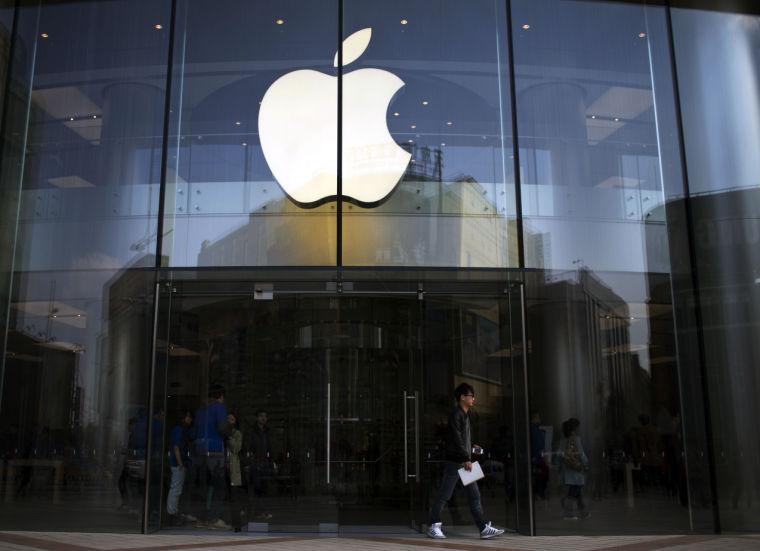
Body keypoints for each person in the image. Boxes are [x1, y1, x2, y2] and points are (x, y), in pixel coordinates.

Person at [427, 383, 505, 540]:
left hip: (463, 461)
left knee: (474, 496)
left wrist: (471, 448)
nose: (473, 398)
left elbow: (462, 439)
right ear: (462, 397)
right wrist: (465, 457)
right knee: (445, 495)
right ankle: (433, 526)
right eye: (471, 395)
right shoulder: (456, 415)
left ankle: (483, 527)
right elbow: (456, 438)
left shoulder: (465, 415)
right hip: (457, 462)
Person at [192, 384, 231, 529]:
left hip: (200, 450)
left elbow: (194, 431)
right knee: (218, 485)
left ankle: (201, 518)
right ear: (221, 396)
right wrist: (230, 430)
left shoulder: (200, 411)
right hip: (215, 451)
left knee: (204, 485)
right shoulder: (219, 407)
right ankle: (214, 518)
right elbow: (222, 428)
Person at [558, 417, 590, 520]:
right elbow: (581, 453)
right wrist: (586, 463)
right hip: (576, 470)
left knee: (577, 492)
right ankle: (568, 513)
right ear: (575, 428)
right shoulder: (576, 439)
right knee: (573, 492)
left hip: (567, 470)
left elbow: (559, 454)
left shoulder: (563, 440)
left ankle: (584, 513)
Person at [166, 411, 193, 526]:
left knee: (176, 488)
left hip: (178, 463)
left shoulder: (180, 430)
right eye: (189, 417)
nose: (190, 419)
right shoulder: (178, 430)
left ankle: (173, 512)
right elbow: (176, 448)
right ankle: (171, 513)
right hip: (177, 464)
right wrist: (181, 463)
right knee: (176, 488)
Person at [247, 409, 274, 520]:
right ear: (257, 418)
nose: (263, 418)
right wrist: (251, 462)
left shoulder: (268, 431)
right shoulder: (252, 431)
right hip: (256, 462)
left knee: (265, 488)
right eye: (261, 416)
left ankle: (262, 511)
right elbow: (248, 447)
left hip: (265, 462)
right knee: (257, 488)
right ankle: (257, 511)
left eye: (265, 416)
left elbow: (270, 447)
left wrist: (271, 460)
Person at [226, 412, 247, 532]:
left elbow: (236, 448)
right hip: (221, 467)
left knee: (235, 497)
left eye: (232, 419)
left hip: (233, 469)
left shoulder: (237, 434)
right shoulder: (221, 433)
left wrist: (229, 437)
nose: (229, 421)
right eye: (227, 419)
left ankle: (237, 524)